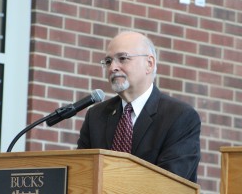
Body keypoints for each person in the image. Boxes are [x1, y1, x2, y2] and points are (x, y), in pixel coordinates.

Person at [77, 31, 201, 183]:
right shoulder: (96, 116)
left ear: (149, 64)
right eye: (108, 61)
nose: (112, 68)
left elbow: (170, 184)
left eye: (122, 58)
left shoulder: (180, 117)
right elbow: (81, 174)